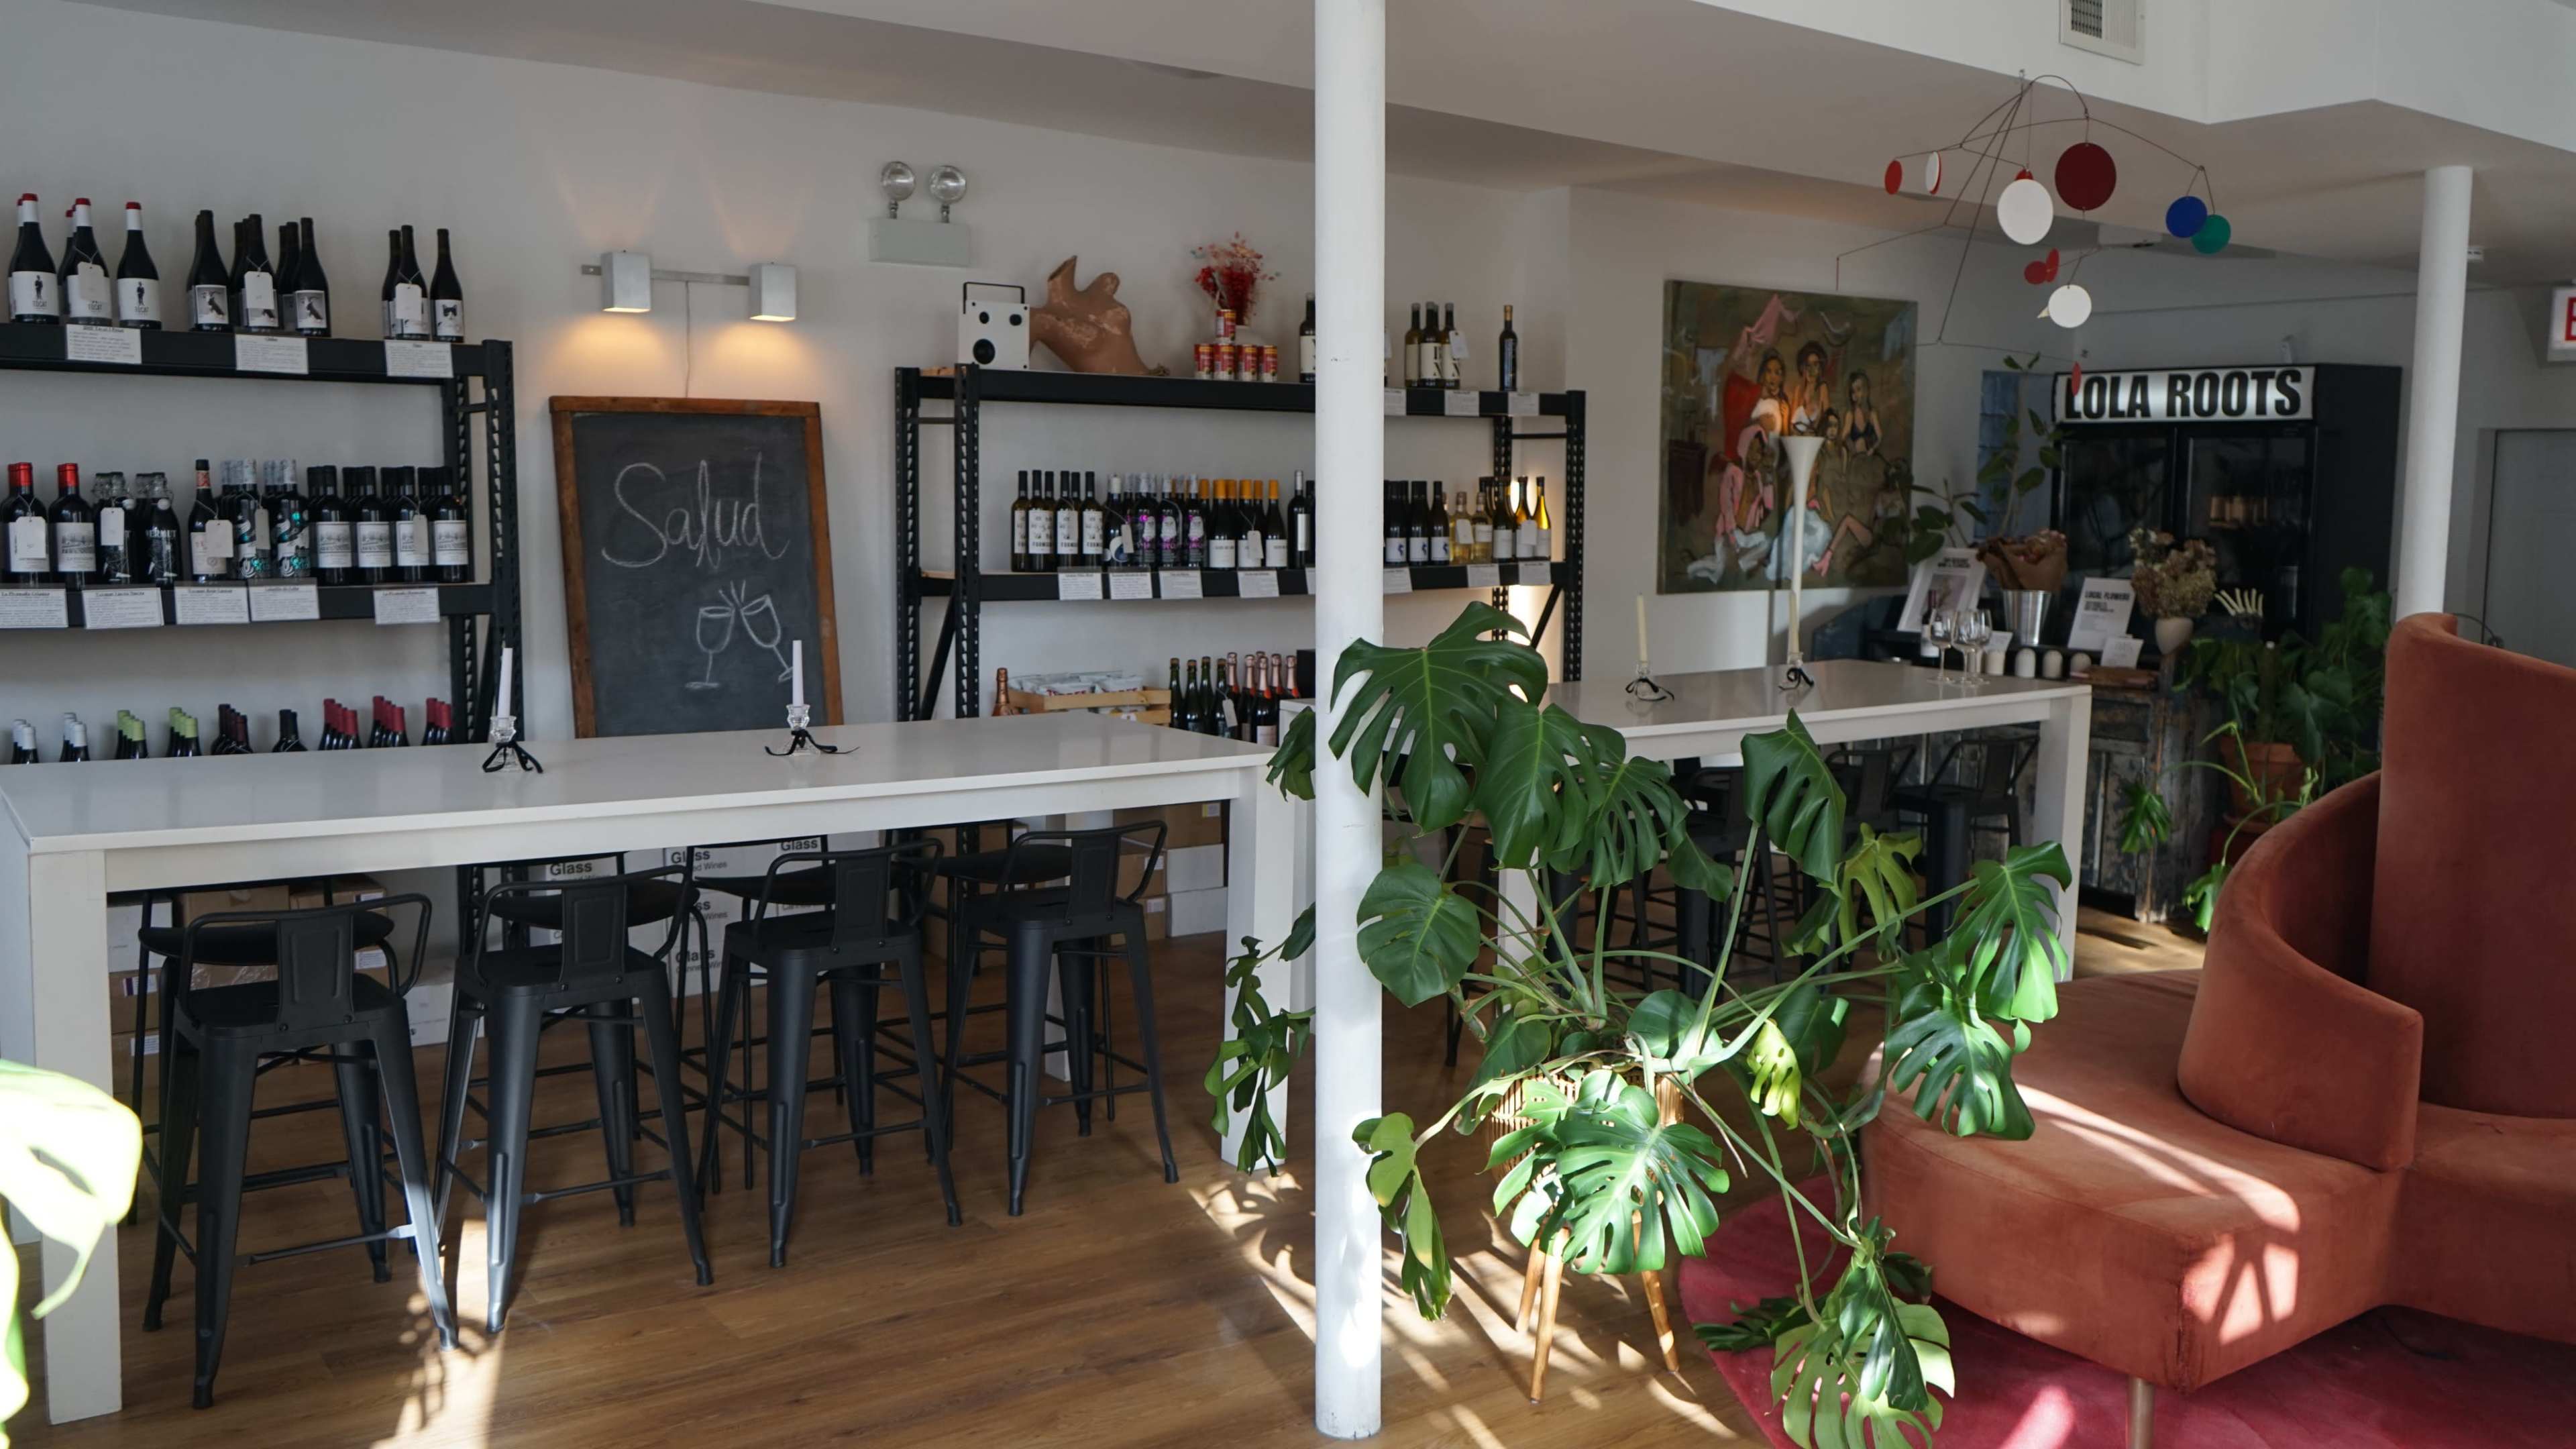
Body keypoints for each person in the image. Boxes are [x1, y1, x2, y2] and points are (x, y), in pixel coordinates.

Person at [1788, 341, 1832, 435]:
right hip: (1799, 442)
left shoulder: (1822, 389)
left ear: (1820, 368)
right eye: (1808, 365)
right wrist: (1801, 434)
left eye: (1815, 365)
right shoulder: (1799, 390)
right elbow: (1792, 426)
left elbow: (1828, 421)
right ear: (1803, 368)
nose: (1811, 370)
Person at [1840, 370, 1883, 456]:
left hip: (1869, 457)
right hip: (1856, 458)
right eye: (1853, 391)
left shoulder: (1872, 414)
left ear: (1866, 390)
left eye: (1859, 389)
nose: (1855, 395)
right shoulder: (1850, 414)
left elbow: (1880, 437)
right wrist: (1852, 449)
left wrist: (1873, 449)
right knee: (1860, 442)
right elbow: (1844, 436)